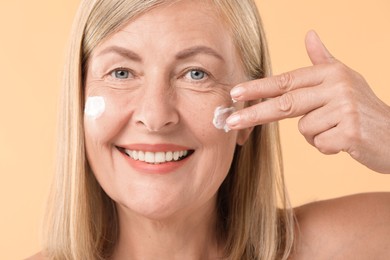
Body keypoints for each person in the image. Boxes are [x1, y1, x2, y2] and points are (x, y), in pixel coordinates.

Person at [28, 0, 390, 259]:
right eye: (121, 73)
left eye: (195, 74)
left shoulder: (344, 247)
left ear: (249, 111)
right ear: (77, 102)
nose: (155, 117)